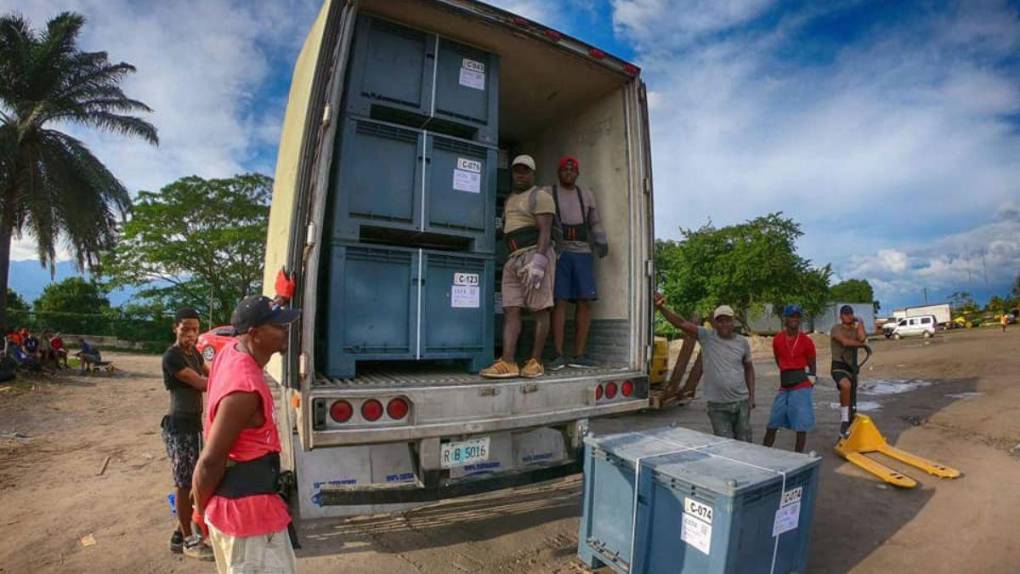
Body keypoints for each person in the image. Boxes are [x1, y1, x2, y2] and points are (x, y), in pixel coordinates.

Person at [192, 295, 301, 574]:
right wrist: (199, 511)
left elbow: (246, 323)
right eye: (278, 326)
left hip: (255, 506)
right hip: (247, 519)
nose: (286, 330)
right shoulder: (243, 391)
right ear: (254, 334)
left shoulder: (232, 350)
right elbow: (210, 461)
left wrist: (277, 298)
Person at [481, 155, 557, 379]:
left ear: (533, 173)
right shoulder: (510, 199)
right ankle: (508, 362)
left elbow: (545, 231)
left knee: (539, 309)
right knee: (511, 309)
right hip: (513, 259)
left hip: (534, 254)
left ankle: (535, 361)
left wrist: (539, 262)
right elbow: (507, 228)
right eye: (517, 170)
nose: (520, 174)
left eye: (525, 170)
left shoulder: (540, 196)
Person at [655, 293, 756, 441]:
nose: (724, 324)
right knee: (726, 446)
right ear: (715, 323)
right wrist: (662, 308)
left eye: (727, 320)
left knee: (745, 443)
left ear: (733, 321)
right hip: (717, 406)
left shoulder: (742, 342)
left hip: (741, 403)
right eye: (720, 321)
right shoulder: (707, 337)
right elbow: (681, 323)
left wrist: (752, 396)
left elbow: (749, 368)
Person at [161, 308, 214, 560]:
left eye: (195, 329)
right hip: (179, 426)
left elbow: (210, 371)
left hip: (193, 426)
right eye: (186, 329)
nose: (191, 334)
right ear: (175, 328)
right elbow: (201, 382)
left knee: (195, 480)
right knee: (184, 484)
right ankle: (189, 540)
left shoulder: (192, 352)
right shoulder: (172, 357)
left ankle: (179, 532)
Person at [548, 156, 609, 371]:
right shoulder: (549, 192)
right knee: (560, 301)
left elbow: (595, 221)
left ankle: (579, 354)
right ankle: (558, 354)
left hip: (583, 252)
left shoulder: (586, 195)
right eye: (564, 169)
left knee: (585, 301)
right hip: (560, 252)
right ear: (559, 172)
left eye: (572, 170)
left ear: (578, 173)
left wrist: (601, 240)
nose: (568, 172)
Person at [763, 305, 817, 453]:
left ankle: (797, 457)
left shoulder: (806, 341)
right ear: (785, 318)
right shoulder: (778, 340)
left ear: (799, 319)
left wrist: (810, 383)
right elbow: (778, 360)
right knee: (773, 422)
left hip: (801, 384)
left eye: (797, 316)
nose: (794, 319)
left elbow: (812, 364)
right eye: (791, 316)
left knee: (801, 425)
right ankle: (763, 454)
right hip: (784, 385)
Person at [831, 305, 868, 438]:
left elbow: (862, 338)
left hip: (852, 367)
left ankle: (849, 421)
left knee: (851, 395)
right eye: (845, 314)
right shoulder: (836, 329)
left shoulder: (854, 329)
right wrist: (861, 345)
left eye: (850, 313)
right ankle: (845, 421)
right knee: (846, 385)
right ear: (841, 316)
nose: (848, 316)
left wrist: (860, 322)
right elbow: (845, 342)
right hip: (838, 365)